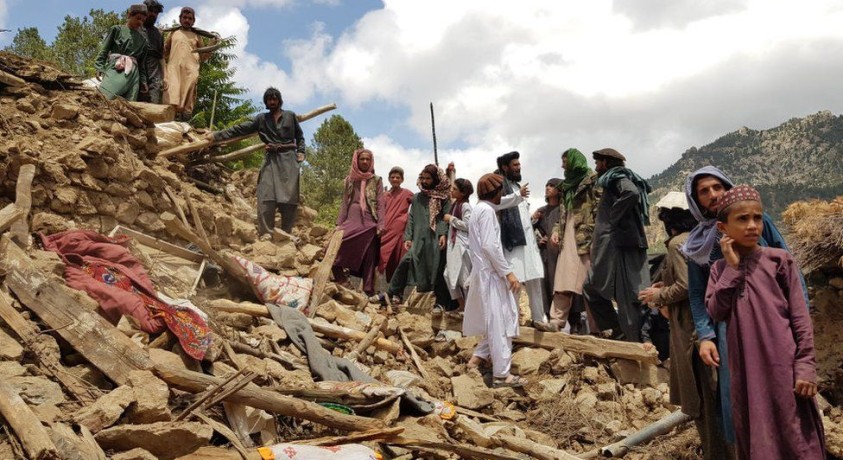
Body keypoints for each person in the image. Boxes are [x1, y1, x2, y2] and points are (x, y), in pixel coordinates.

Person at [682, 166, 809, 454]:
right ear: (696, 200)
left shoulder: (760, 225)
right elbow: (697, 294)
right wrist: (705, 336)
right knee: (742, 395)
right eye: (704, 191)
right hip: (729, 328)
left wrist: (801, 313)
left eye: (717, 187)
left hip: (774, 322)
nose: (713, 194)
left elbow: (790, 269)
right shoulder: (697, 245)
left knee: (786, 391)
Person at [706, 185, 825, 460]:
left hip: (784, 367)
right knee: (758, 434)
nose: (752, 226)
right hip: (746, 371)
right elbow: (716, 311)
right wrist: (732, 269)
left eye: (757, 218)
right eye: (742, 219)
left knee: (795, 434)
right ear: (723, 228)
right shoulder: (719, 270)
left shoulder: (779, 261)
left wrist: (805, 365)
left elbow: (800, 318)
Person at [205, 87, 305, 235]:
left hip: (289, 158)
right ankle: (266, 233)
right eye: (269, 99)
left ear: (279, 100)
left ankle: (286, 233)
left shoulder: (290, 116)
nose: (272, 101)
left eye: (274, 98)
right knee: (265, 194)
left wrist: (301, 151)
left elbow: (300, 136)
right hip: (271, 159)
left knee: (289, 197)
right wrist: (216, 135)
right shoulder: (261, 119)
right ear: (266, 102)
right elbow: (240, 129)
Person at [582, 148, 651, 342]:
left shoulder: (617, 177)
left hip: (618, 247)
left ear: (605, 163)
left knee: (626, 297)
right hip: (613, 246)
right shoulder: (612, 180)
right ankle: (618, 331)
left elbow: (631, 192)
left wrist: (613, 216)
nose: (596, 167)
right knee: (590, 287)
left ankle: (633, 343)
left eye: (598, 163)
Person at [464, 173, 526, 388]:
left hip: (485, 273)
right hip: (491, 274)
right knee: (501, 322)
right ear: (496, 192)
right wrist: (507, 272)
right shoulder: (488, 212)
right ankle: (502, 374)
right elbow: (490, 246)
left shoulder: (479, 210)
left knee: (495, 320)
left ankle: (477, 359)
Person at [545, 148, 601, 333]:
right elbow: (563, 214)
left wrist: (596, 236)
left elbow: (599, 210)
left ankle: (597, 328)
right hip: (568, 236)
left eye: (565, 162)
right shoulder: (566, 187)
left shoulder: (592, 181)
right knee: (562, 280)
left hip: (586, 237)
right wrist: (556, 230)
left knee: (589, 285)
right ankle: (556, 322)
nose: (562, 166)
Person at [385, 165, 451, 305]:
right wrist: (408, 237)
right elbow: (412, 217)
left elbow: (445, 217)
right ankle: (392, 292)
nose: (425, 181)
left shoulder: (443, 198)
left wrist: (443, 234)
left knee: (437, 268)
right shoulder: (417, 198)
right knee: (406, 261)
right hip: (419, 238)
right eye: (423, 178)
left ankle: (441, 304)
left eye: (429, 178)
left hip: (435, 239)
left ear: (436, 179)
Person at [495, 151, 546, 324]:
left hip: (528, 244)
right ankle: (512, 324)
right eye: (515, 165)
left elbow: (522, 216)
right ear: (505, 167)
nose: (518, 167)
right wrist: (517, 196)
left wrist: (533, 219)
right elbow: (496, 203)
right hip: (512, 244)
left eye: (519, 164)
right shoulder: (499, 184)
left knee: (534, 280)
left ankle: (539, 320)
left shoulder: (517, 187)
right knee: (514, 284)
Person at [332, 148, 384, 296]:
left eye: (368, 159)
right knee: (335, 245)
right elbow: (344, 203)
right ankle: (341, 279)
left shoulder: (376, 180)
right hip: (352, 218)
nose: (365, 162)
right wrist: (339, 224)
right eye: (362, 159)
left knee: (370, 254)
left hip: (370, 220)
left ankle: (368, 290)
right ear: (357, 160)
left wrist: (381, 225)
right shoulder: (349, 179)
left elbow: (380, 204)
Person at [164, 7, 217, 121]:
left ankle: (185, 118)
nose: (187, 20)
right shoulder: (173, 33)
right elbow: (164, 51)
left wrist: (213, 43)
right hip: (174, 69)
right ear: (180, 18)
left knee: (189, 93)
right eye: (184, 18)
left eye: (190, 18)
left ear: (193, 21)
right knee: (171, 93)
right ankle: (171, 119)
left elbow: (203, 56)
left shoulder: (197, 36)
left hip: (191, 71)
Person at [94, 4, 149, 101]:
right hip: (117, 67)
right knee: (104, 98)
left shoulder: (143, 41)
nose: (140, 22)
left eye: (143, 21)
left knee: (128, 106)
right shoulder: (116, 30)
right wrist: (99, 67)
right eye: (138, 18)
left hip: (134, 75)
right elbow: (104, 49)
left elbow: (142, 65)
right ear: (129, 15)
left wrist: (143, 81)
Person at [376, 167, 414, 285]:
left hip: (400, 232)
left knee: (398, 259)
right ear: (389, 179)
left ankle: (396, 292)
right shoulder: (384, 195)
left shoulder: (407, 193)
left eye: (398, 177)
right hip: (385, 231)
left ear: (402, 179)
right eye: (393, 177)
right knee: (380, 257)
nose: (395, 179)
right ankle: (375, 288)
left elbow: (419, 203)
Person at [532, 178, 561, 321]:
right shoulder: (541, 211)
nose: (548, 188)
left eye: (552, 186)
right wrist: (539, 239)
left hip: (560, 253)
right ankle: (549, 317)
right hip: (545, 253)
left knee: (561, 284)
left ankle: (574, 321)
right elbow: (529, 231)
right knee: (546, 285)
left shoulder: (564, 209)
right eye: (546, 185)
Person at [443, 178, 473, 309]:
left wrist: (452, 219)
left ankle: (470, 309)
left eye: (455, 189)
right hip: (453, 245)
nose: (452, 191)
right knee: (448, 275)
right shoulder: (455, 205)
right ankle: (462, 306)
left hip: (462, 245)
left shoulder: (466, 206)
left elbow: (468, 225)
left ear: (463, 192)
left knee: (464, 278)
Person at [138, 0, 165, 103]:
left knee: (153, 101)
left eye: (156, 12)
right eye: (151, 11)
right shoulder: (135, 28)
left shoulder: (159, 33)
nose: (153, 14)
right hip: (137, 71)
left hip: (154, 74)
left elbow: (161, 57)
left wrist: (164, 77)